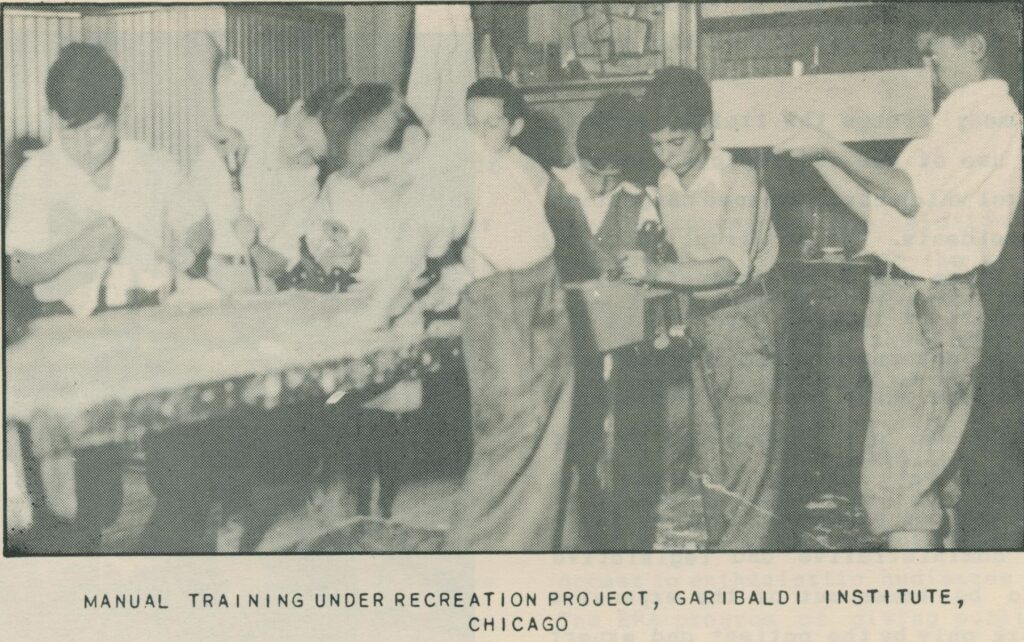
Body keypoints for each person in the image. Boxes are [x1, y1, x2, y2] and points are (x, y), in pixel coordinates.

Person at [774, 4, 1022, 549]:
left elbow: (907, 195)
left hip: (928, 305)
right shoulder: (952, 122)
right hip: (911, 300)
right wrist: (814, 154)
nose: (926, 62)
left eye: (935, 51)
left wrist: (833, 146)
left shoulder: (990, 117)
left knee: (900, 488)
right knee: (927, 477)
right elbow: (878, 208)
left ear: (975, 46)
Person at [5, 43, 208, 552]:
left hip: (145, 316)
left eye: (99, 129)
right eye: (72, 130)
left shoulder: (152, 165)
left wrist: (191, 245)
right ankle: (77, 545)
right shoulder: (37, 176)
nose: (87, 145)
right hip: (68, 324)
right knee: (88, 462)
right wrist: (75, 250)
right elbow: (21, 268)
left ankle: (176, 538)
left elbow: (197, 220)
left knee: (178, 436)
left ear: (117, 116)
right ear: (54, 118)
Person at [623, 66, 781, 550]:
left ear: (707, 130)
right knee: (710, 458)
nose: (667, 156)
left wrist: (652, 270)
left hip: (745, 318)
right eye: (657, 145)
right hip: (702, 323)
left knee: (749, 456)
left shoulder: (740, 178)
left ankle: (745, 564)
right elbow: (683, 263)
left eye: (677, 142)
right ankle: (722, 554)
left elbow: (729, 267)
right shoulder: (668, 184)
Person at [545, 93, 666, 549]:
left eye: (613, 177)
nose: (601, 185)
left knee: (626, 443)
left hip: (620, 336)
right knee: (570, 439)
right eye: (594, 174)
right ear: (579, 158)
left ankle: (625, 543)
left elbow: (649, 264)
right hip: (561, 335)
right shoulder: (548, 189)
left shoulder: (639, 200)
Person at [189, 38, 350, 292]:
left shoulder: (307, 185)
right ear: (298, 108)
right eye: (299, 136)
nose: (298, 152)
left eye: (312, 155)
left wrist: (254, 246)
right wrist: (211, 124)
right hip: (198, 272)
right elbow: (201, 43)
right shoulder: (250, 110)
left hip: (252, 286)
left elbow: (281, 265)